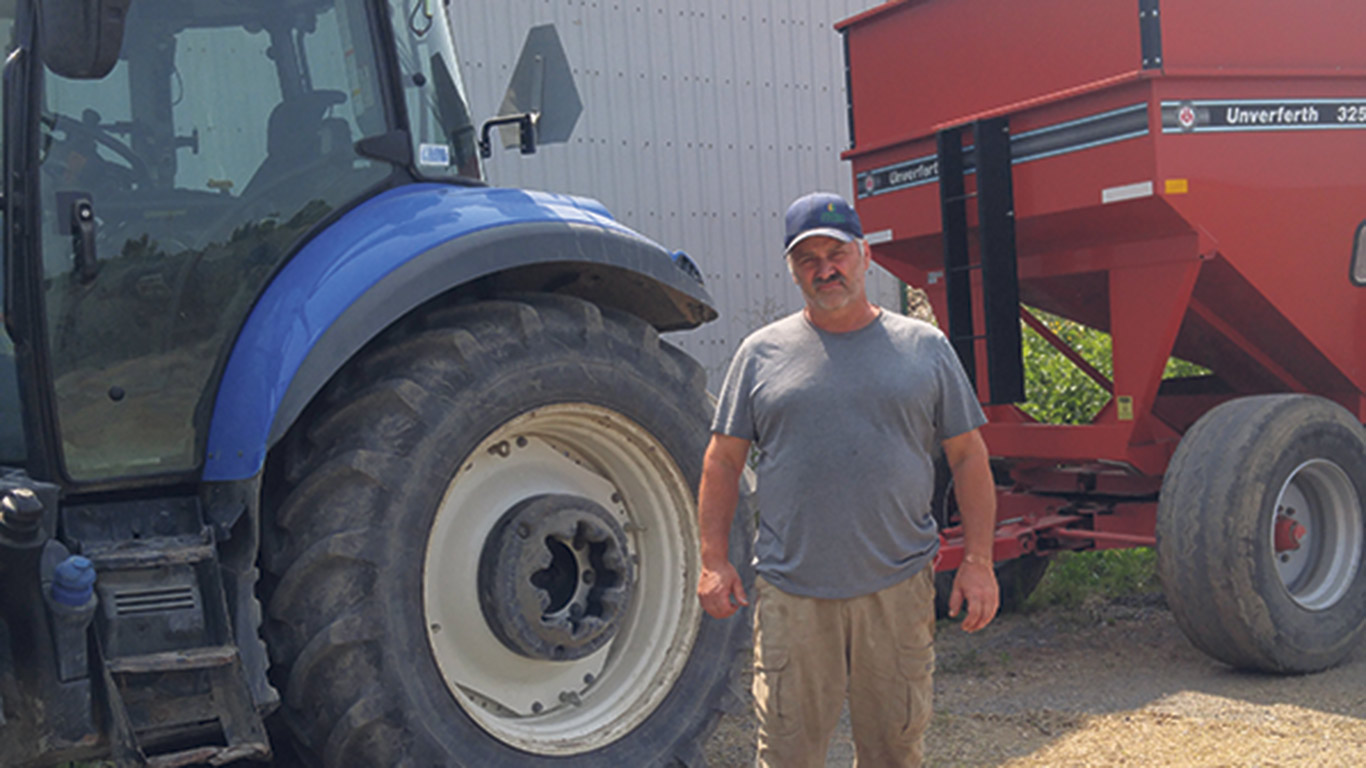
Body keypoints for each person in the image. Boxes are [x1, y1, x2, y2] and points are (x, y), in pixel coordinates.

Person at [696, 191, 1000, 767]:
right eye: (807, 260)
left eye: (835, 253)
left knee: (893, 750)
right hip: (793, 596)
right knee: (788, 755)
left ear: (864, 255)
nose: (824, 269)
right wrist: (713, 559)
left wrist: (979, 562)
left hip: (897, 589)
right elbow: (722, 461)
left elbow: (968, 457)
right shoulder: (761, 355)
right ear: (792, 271)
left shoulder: (924, 350)